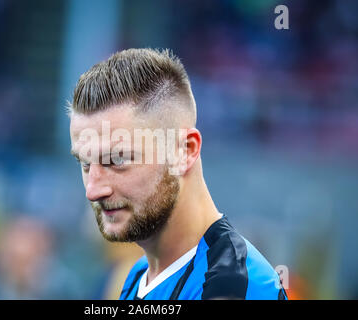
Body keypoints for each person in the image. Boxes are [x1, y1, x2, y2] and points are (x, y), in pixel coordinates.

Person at [68, 48, 287, 300]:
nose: (93, 190)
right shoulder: (138, 275)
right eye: (85, 164)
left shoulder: (233, 286)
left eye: (117, 159)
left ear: (185, 151)